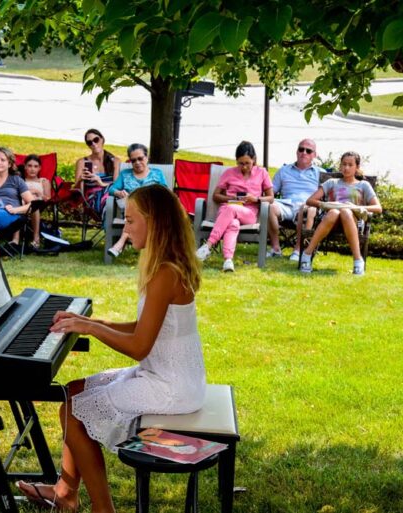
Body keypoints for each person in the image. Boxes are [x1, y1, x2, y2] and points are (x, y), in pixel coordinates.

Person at [16, 184, 205, 512]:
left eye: (131, 221)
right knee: (72, 393)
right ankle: (66, 491)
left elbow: (139, 345)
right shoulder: (164, 265)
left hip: (171, 387)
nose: (125, 229)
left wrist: (89, 327)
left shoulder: (166, 273)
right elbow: (142, 329)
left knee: (76, 412)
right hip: (163, 375)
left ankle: (103, 510)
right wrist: (90, 321)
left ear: (155, 223)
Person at [195, 141, 274, 272]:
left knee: (230, 209)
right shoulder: (229, 173)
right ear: (236, 161)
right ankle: (228, 260)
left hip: (249, 213)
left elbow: (271, 197)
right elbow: (216, 196)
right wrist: (232, 198)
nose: (244, 167)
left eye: (247, 163)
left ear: (254, 160)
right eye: (240, 163)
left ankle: (208, 245)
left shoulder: (262, 173)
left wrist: (255, 199)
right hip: (228, 209)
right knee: (233, 224)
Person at [299, 151, 382, 275]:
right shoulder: (332, 183)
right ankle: (307, 254)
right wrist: (325, 204)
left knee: (346, 212)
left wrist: (355, 207)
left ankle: (358, 260)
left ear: (357, 167)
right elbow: (310, 200)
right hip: (331, 221)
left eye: (350, 165)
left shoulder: (363, 185)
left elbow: (378, 208)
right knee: (334, 212)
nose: (346, 168)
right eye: (343, 164)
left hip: (352, 221)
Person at [105, 143, 168, 258]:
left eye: (140, 158)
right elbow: (112, 189)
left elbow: (165, 192)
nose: (137, 163)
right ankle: (123, 243)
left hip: (153, 210)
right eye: (133, 160)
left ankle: (120, 243)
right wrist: (119, 192)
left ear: (147, 157)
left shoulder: (157, 173)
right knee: (135, 209)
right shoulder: (125, 174)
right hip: (131, 209)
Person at [267, 138, 324, 261]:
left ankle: (298, 250)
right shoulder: (284, 170)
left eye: (308, 151)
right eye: (301, 149)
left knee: (305, 208)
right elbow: (271, 192)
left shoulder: (321, 173)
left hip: (307, 206)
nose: (304, 152)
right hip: (287, 205)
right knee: (269, 206)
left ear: (314, 155)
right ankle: (276, 248)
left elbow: (327, 195)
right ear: (296, 151)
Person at [74, 128, 120, 216]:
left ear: (102, 139)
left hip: (111, 196)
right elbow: (76, 190)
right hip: (92, 199)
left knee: (111, 200)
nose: (94, 144)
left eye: (96, 140)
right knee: (110, 204)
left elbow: (117, 186)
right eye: (90, 142)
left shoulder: (115, 161)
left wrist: (100, 183)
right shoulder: (82, 162)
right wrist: (80, 180)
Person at [21, 154, 51, 248]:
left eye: (35, 166)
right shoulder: (21, 181)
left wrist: (39, 193)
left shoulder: (44, 181)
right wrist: (32, 192)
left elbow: (48, 198)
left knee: (34, 204)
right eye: (29, 166)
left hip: (38, 205)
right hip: (22, 203)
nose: (32, 169)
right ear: (25, 167)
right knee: (29, 201)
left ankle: (36, 238)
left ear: (40, 168)